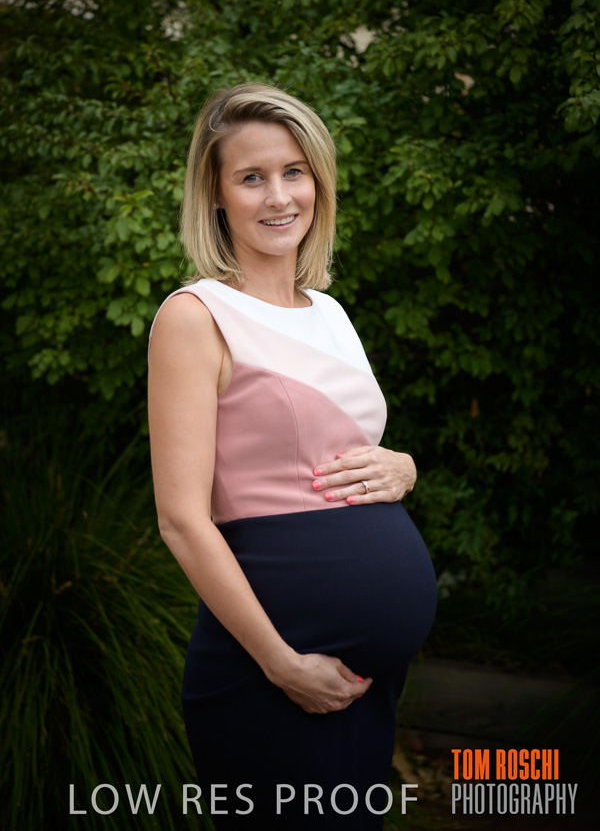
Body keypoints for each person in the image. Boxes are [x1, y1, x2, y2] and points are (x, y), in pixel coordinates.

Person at [147, 82, 437, 829]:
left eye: (294, 172)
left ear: (319, 183)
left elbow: (337, 450)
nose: (279, 197)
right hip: (274, 674)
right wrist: (281, 663)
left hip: (363, 679)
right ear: (216, 195)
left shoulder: (330, 312)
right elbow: (181, 520)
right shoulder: (194, 316)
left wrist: (402, 469)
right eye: (251, 177)